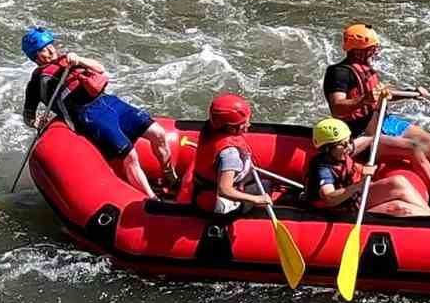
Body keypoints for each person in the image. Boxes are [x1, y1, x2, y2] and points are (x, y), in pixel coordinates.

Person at [20, 27, 177, 198]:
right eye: (43, 49)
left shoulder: (70, 60)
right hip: (89, 115)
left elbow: (100, 68)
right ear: (35, 57)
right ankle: (152, 199)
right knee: (130, 155)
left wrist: (79, 59)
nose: (50, 50)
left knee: (158, 133)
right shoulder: (36, 82)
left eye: (50, 45)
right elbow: (28, 116)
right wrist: (35, 123)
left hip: (111, 103)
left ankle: (171, 177)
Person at [323, 23, 430, 198]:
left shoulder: (366, 68)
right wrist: (364, 99)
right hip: (363, 135)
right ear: (359, 50)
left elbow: (383, 95)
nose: (375, 51)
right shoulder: (339, 73)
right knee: (414, 148)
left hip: (384, 121)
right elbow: (337, 107)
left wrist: (411, 93)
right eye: (372, 48)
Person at [305, 118, 430, 216]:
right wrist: (359, 184)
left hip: (354, 197)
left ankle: (428, 214)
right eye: (342, 144)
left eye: (349, 141)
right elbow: (329, 198)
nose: (348, 147)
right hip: (338, 210)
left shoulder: (341, 153)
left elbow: (368, 139)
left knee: (398, 181)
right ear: (327, 148)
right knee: (400, 208)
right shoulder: (322, 168)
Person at [189, 93, 272, 216]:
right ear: (231, 129)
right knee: (266, 186)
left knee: (260, 182)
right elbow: (224, 190)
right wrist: (257, 200)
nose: (249, 125)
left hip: (203, 190)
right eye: (245, 123)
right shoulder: (230, 154)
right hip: (218, 204)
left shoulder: (210, 128)